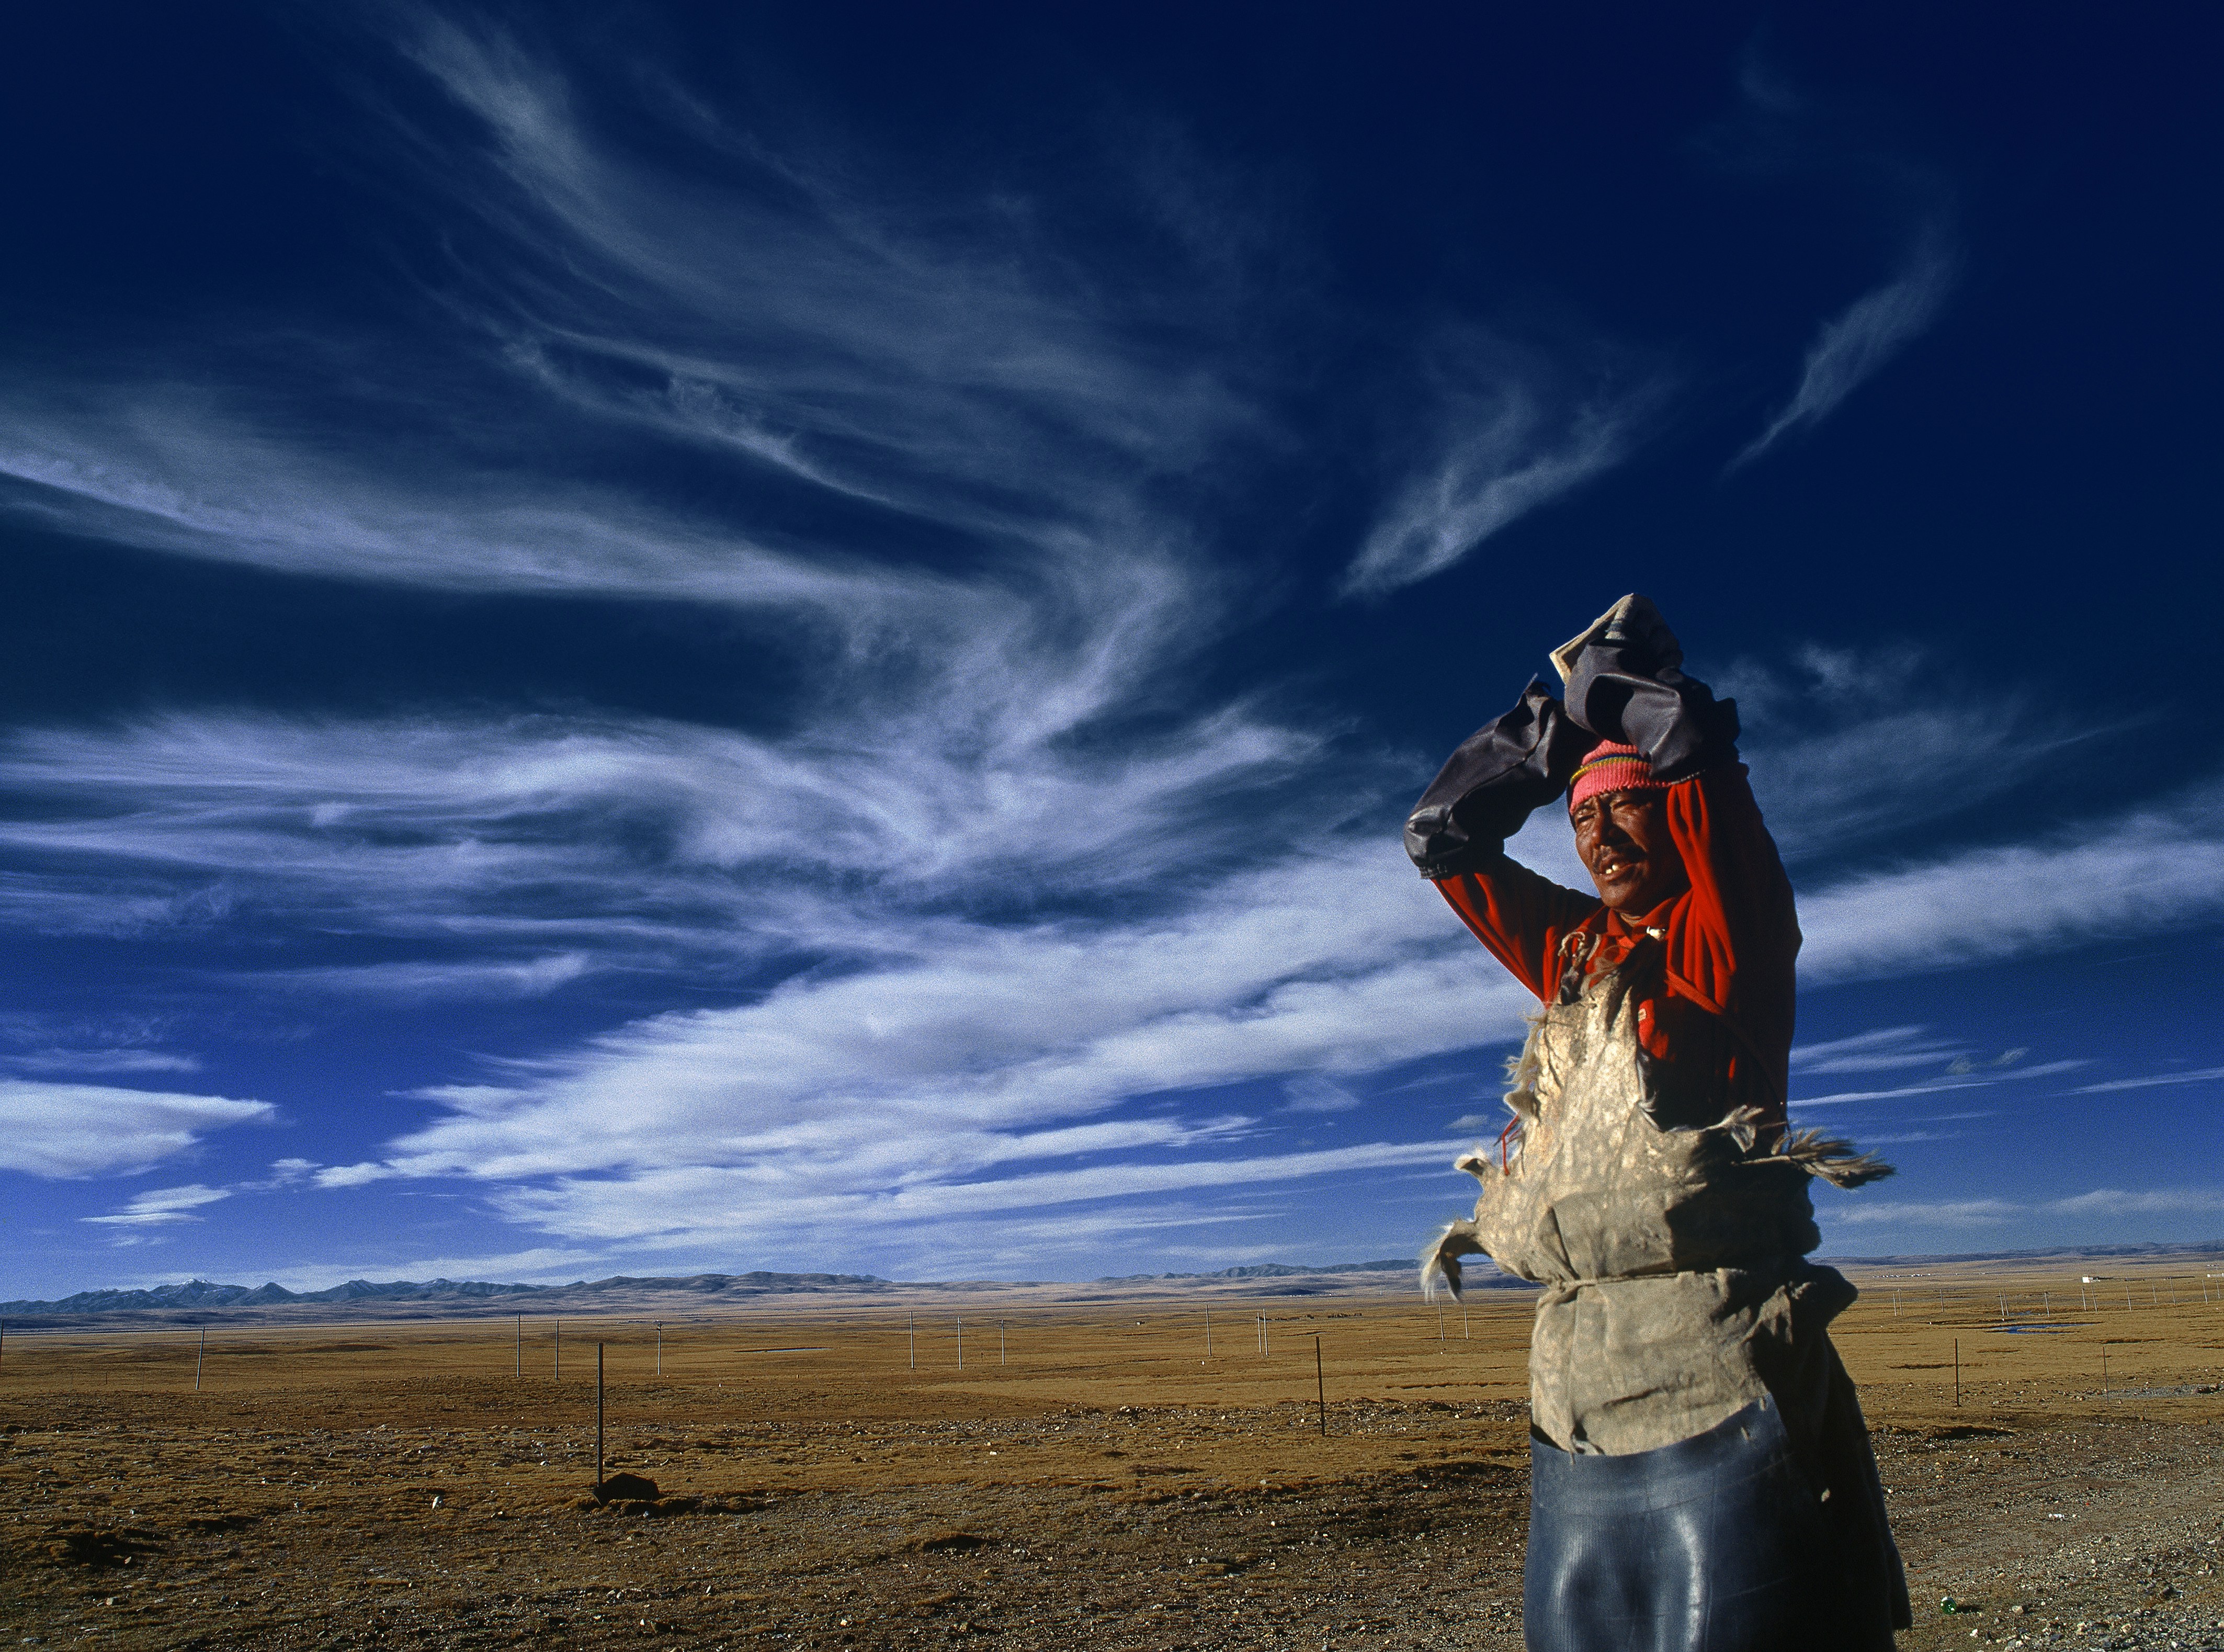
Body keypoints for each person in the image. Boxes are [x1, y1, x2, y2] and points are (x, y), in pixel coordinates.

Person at [1405, 595, 1911, 1652]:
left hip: (1718, 1379)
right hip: (1575, 1398)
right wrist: (1542, 743)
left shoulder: (1728, 936)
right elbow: (1443, 840)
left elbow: (1688, 750)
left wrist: (1611, 696)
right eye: (1581, 820)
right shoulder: (1581, 953)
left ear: (1672, 813)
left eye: (1624, 807)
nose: (1597, 834)